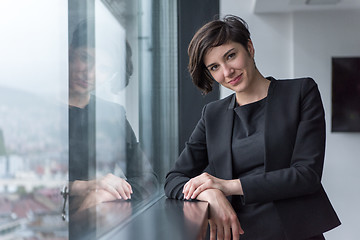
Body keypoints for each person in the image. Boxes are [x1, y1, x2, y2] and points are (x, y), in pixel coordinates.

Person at [164, 15, 340, 240]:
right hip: (238, 235)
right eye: (215, 67)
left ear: (249, 47)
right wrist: (210, 194)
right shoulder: (213, 115)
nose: (227, 72)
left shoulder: (300, 92)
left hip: (296, 234)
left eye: (231, 56)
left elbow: (307, 175)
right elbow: (174, 178)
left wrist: (227, 186)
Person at [68, 19, 158, 213]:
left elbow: (148, 179)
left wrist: (105, 195)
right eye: (85, 58)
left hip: (98, 221)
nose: (90, 74)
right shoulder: (42, 110)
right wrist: (84, 186)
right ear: (70, 51)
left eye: (103, 69)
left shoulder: (113, 114)